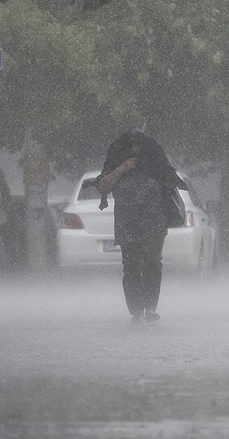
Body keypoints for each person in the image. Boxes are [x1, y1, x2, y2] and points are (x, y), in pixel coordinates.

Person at [95, 129, 186, 324]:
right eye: (131, 146)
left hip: (154, 222)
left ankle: (150, 308)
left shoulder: (155, 159)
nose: (135, 150)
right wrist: (121, 169)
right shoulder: (116, 160)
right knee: (131, 266)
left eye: (138, 146)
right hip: (127, 223)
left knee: (153, 262)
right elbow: (103, 186)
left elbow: (170, 180)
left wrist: (155, 170)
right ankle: (136, 310)